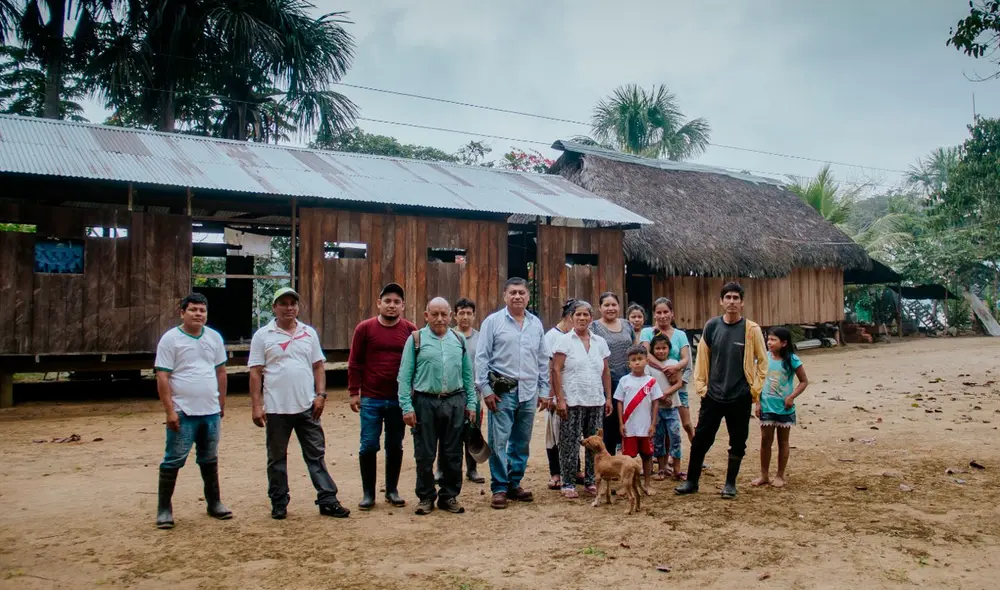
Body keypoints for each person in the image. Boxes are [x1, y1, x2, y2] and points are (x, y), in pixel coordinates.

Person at [249, 287, 349, 519]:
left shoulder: (308, 333)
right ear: (274, 307)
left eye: (292, 303)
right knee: (276, 459)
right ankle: (279, 502)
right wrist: (256, 405)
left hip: (307, 407)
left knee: (316, 455)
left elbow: (318, 366)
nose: (289, 307)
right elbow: (255, 372)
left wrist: (321, 395)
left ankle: (327, 499)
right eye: (283, 303)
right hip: (276, 409)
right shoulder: (263, 336)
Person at [675, 282, 767, 500]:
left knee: (738, 441)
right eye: (728, 297)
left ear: (742, 303)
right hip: (713, 395)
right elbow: (702, 359)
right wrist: (701, 387)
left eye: (736, 298)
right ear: (721, 301)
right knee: (701, 439)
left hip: (740, 396)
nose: (732, 302)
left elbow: (763, 363)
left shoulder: (751, 330)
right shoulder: (712, 326)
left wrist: (754, 390)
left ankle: (730, 484)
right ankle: (692, 481)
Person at [153, 293, 231, 529]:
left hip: (210, 411)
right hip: (183, 412)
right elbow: (163, 375)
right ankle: (164, 509)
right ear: (182, 313)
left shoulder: (214, 338)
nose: (198, 314)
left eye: (202, 310)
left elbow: (221, 372)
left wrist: (221, 404)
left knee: (209, 459)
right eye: (193, 310)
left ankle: (214, 503)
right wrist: (170, 411)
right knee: (173, 460)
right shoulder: (171, 340)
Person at [475, 277, 550, 510]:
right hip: (501, 392)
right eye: (513, 293)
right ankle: (499, 488)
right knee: (499, 440)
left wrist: (544, 391)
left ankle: (514, 483)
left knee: (521, 441)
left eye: (521, 293)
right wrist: (485, 389)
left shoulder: (535, 324)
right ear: (504, 296)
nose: (517, 296)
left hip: (528, 391)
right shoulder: (493, 322)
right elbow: (482, 358)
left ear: (528, 297)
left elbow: (542, 359)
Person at [397, 298, 478, 515]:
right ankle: (425, 497)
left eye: (444, 314)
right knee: (425, 453)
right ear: (426, 316)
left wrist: (471, 404)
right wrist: (406, 406)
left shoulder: (458, 340)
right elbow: (404, 377)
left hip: (454, 401)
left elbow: (468, 376)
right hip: (425, 402)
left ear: (451, 316)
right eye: (435, 314)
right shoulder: (415, 339)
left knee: (452, 453)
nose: (440, 319)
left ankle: (449, 495)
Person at [347, 283, 417, 510]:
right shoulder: (364, 329)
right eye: (387, 301)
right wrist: (353, 392)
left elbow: (417, 364)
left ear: (403, 306)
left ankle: (392, 490)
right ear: (379, 303)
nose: (392, 305)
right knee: (368, 445)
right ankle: (368, 494)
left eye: (397, 302)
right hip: (371, 398)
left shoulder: (410, 330)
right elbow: (355, 362)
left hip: (399, 399)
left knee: (395, 446)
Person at [552, 301, 612, 499]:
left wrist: (608, 397)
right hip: (572, 399)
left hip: (595, 399)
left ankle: (590, 481)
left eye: (586, 315)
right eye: (578, 314)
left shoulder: (599, 342)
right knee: (569, 442)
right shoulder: (564, 341)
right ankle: (567, 482)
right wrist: (560, 399)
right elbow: (556, 370)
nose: (582, 318)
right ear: (571, 317)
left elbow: (605, 372)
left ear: (591, 318)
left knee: (594, 443)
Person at [752, 327, 809, 488]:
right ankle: (764, 474)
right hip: (767, 406)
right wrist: (757, 402)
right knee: (765, 441)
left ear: (784, 343)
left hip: (784, 408)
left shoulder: (792, 359)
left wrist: (791, 397)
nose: (769, 343)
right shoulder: (763, 359)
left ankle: (780, 475)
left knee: (783, 442)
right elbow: (758, 381)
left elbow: (804, 381)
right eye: (768, 339)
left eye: (773, 340)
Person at [640, 298, 695, 444]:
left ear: (672, 314)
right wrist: (665, 369)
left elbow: (685, 358)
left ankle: (697, 455)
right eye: (659, 312)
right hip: (655, 386)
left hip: (677, 385)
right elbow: (646, 354)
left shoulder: (680, 335)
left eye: (666, 312)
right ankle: (665, 458)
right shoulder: (647, 332)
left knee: (686, 423)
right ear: (654, 315)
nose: (663, 315)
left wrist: (675, 368)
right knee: (660, 423)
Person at [614, 344, 665, 494]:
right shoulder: (624, 381)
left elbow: (656, 403)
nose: (637, 362)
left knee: (647, 456)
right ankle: (626, 485)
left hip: (646, 426)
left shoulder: (652, 381)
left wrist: (653, 424)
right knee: (628, 458)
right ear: (628, 363)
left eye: (640, 359)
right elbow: (619, 402)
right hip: (629, 426)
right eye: (633, 360)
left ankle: (647, 484)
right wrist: (621, 423)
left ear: (646, 361)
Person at [590, 292, 636, 456]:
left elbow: (634, 349)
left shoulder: (627, 325)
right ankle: (608, 459)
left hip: (628, 381)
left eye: (613, 305)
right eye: (606, 305)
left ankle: (625, 459)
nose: (610, 308)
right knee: (607, 422)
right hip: (605, 383)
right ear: (600, 308)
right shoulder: (594, 327)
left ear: (619, 306)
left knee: (626, 419)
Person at [544, 299, 577, 490]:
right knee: (554, 434)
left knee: (572, 432)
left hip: (574, 391)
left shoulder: (577, 336)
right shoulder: (552, 336)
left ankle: (573, 470)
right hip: (556, 391)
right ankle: (556, 472)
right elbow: (548, 367)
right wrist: (550, 395)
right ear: (569, 316)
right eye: (577, 315)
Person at [451, 297, 485, 484]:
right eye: (461, 313)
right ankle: (444, 469)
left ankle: (472, 470)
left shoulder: (481, 338)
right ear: (455, 316)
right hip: (452, 394)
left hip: (475, 394)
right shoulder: (448, 336)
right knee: (449, 433)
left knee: (473, 432)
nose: (465, 317)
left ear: (474, 316)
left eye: (469, 313)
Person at [646, 334, 685, 481]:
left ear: (669, 349)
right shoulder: (649, 367)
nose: (661, 351)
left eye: (664, 348)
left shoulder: (674, 363)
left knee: (675, 437)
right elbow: (648, 385)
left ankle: (677, 469)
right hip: (657, 409)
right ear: (652, 350)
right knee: (659, 438)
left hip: (672, 407)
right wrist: (661, 396)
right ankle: (661, 469)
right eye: (657, 348)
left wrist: (665, 394)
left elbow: (679, 383)